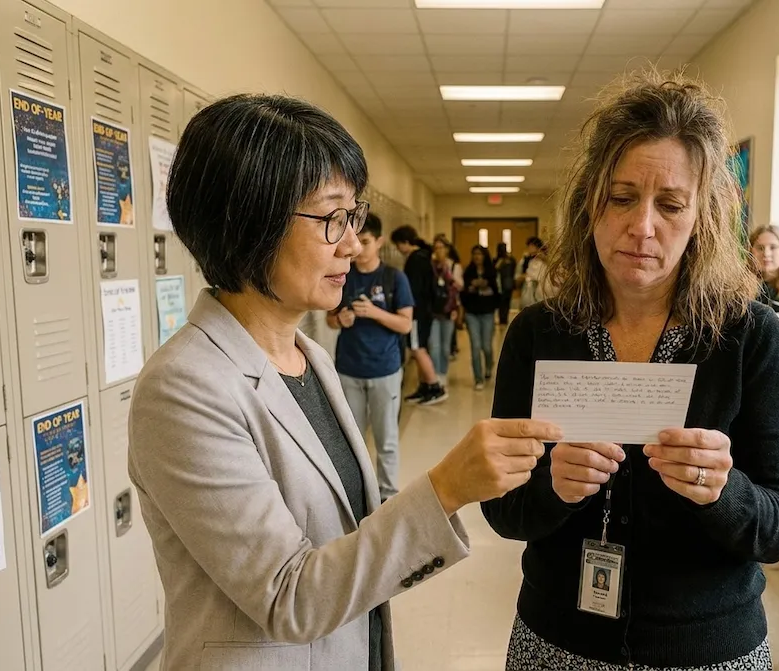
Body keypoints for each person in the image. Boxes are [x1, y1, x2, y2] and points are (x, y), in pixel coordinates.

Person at [128, 94, 561, 671]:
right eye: (332, 217)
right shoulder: (184, 388)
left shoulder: (308, 355)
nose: (352, 244)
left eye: (353, 217)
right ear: (250, 222)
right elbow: (289, 597)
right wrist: (446, 488)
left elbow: (344, 546)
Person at [482, 70, 779, 671]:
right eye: (622, 197)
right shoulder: (540, 333)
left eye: (671, 204)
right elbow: (502, 509)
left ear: (702, 217)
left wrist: (723, 493)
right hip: (558, 639)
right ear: (590, 203)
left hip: (708, 647)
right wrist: (551, 487)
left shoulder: (749, 336)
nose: (643, 226)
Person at [326, 212, 413, 502]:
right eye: (356, 242)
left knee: (386, 439)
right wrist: (343, 320)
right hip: (349, 370)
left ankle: (388, 494)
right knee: (353, 439)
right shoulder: (343, 275)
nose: (358, 249)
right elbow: (330, 320)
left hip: (385, 370)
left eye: (365, 241)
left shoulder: (394, 278)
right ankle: (359, 493)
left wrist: (373, 312)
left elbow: (405, 324)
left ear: (379, 241)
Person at [390, 225, 448, 405]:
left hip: (416, 314)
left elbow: (412, 291)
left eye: (398, 244)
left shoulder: (415, 260)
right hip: (425, 312)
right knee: (419, 347)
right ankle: (424, 387)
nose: (398, 249)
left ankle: (434, 386)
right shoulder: (424, 256)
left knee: (417, 348)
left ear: (405, 242)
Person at [461, 245, 500, 391]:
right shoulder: (468, 272)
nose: (477, 257)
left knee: (487, 346)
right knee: (475, 346)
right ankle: (478, 378)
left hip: (487, 312)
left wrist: (486, 285)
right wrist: (471, 288)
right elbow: (463, 293)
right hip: (472, 313)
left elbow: (498, 293)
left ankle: (489, 366)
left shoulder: (492, 272)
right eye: (474, 254)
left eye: (479, 254)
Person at [427, 238, 460, 387]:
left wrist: (448, 272)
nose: (438, 251)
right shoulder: (430, 266)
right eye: (436, 248)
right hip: (433, 311)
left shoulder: (454, 266)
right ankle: (436, 375)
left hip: (448, 311)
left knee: (446, 347)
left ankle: (443, 372)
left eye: (441, 247)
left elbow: (459, 287)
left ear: (447, 249)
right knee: (434, 346)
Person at [517, 236, 548, 309]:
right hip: (530, 288)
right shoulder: (530, 260)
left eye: (531, 246)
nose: (529, 249)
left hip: (539, 289)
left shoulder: (543, 260)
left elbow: (539, 276)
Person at [494, 242, 518, 325]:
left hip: (508, 283)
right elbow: (495, 269)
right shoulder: (496, 260)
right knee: (501, 302)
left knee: (507, 301)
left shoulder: (511, 259)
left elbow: (514, 270)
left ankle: (505, 318)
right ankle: (501, 318)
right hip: (499, 284)